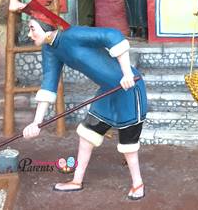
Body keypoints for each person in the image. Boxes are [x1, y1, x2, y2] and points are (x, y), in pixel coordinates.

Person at [22, 14, 148, 200]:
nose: (29, 34)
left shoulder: (72, 34)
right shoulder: (50, 50)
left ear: (46, 26)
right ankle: (76, 181)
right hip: (108, 91)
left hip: (129, 87)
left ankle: (138, 183)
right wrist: (36, 122)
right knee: (87, 133)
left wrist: (127, 73)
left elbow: (112, 36)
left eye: (32, 28)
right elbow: (49, 84)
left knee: (128, 143)